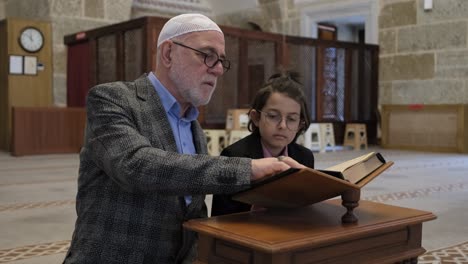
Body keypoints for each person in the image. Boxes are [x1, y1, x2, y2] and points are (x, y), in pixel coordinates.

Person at [62, 14, 306, 264]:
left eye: (221, 60)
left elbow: (191, 210)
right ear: (168, 53)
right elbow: (136, 166)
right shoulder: (113, 100)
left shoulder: (193, 127)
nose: (219, 69)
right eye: (207, 55)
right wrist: (250, 168)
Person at [211, 72, 315, 216]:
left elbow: (307, 209)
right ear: (256, 118)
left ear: (300, 124)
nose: (282, 125)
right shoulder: (234, 156)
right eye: (273, 116)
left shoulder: (304, 157)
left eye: (291, 119)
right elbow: (220, 217)